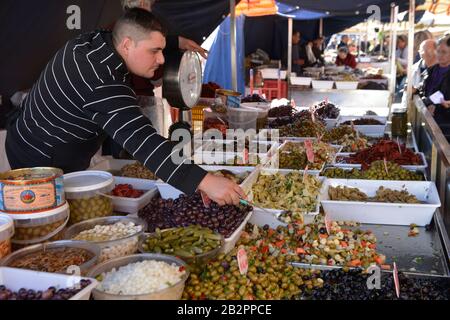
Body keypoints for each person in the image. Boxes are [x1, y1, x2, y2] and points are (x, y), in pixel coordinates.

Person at [5, 8, 245, 206]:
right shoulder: (100, 80)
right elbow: (144, 141)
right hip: (39, 158)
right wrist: (204, 181)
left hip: (44, 139)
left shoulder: (96, 41)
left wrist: (175, 42)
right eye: (155, 51)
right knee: (48, 222)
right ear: (128, 45)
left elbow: (127, 34)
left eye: (161, 50)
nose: (161, 59)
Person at [421, 36, 450, 133]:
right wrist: (416, 91)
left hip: (445, 128)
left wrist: (437, 107)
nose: (440, 55)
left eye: (444, 52)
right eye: (438, 51)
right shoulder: (430, 70)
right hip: (427, 121)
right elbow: (425, 94)